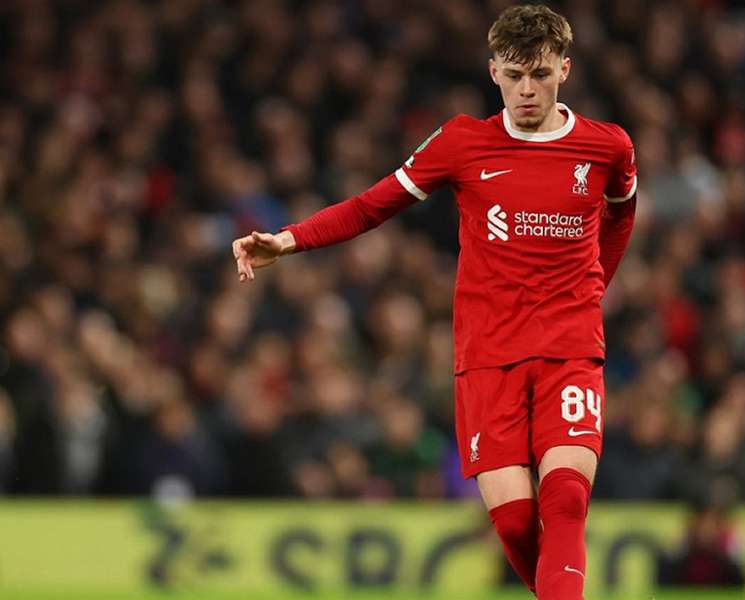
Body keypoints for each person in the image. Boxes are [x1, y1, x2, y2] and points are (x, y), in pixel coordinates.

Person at [232, 5, 637, 599]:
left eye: (542, 75)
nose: (528, 90)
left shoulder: (606, 147)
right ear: (494, 70)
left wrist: (596, 283)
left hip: (569, 346)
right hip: (487, 353)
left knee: (567, 498)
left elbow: (622, 212)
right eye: (516, 75)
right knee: (518, 523)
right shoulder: (462, 142)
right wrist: (289, 240)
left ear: (565, 70)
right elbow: (372, 205)